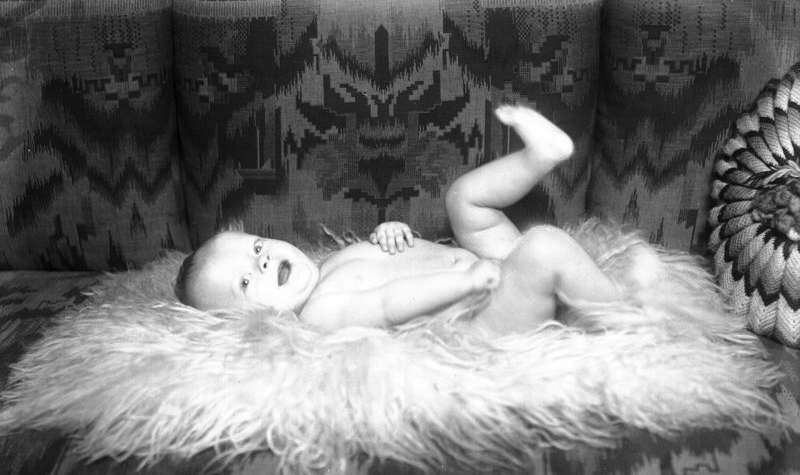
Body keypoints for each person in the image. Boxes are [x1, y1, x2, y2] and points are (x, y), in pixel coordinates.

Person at [174, 105, 622, 335]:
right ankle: (629, 316)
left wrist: (392, 232)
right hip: (483, 321)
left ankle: (540, 157)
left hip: (484, 270)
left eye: (256, 247)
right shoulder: (319, 314)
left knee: (463, 200)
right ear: (247, 322)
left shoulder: (330, 264)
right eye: (246, 282)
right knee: (543, 247)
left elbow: (396, 261)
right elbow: (389, 304)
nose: (263, 261)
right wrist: (464, 284)